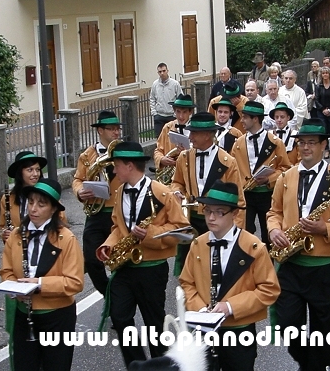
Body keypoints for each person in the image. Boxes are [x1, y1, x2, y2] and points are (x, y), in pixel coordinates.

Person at [267, 119, 330, 371]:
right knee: (288, 326)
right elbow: (273, 212)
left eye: (311, 143)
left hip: (326, 269)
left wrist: (326, 229)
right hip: (291, 264)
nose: (306, 147)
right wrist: (274, 229)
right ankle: (310, 366)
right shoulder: (286, 178)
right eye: (301, 143)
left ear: (324, 146)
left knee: (324, 333)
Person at [97, 142, 189, 366]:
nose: (114, 171)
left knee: (154, 324)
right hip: (126, 267)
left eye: (116, 166)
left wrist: (150, 233)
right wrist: (109, 245)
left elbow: (182, 229)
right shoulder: (119, 192)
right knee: (119, 317)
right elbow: (118, 227)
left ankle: (161, 366)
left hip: (151, 268)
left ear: (129, 166)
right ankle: (137, 365)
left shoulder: (160, 191)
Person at [178, 181, 281, 371]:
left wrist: (231, 306)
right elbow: (187, 282)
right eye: (208, 210)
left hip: (238, 330)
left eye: (219, 212)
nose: (211, 217)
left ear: (234, 214)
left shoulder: (253, 247)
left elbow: (269, 289)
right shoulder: (198, 244)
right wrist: (200, 310)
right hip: (204, 330)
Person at [0, 177, 84, 371]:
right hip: (24, 314)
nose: (33, 209)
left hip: (57, 316)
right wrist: (14, 288)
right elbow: (6, 270)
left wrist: (39, 285)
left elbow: (75, 282)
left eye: (41, 204)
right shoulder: (16, 235)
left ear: (53, 209)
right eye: (30, 202)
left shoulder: (66, 239)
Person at [170, 112, 245, 272]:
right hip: (190, 220)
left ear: (208, 135)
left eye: (194, 133)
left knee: (215, 270)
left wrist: (235, 233)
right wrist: (176, 192)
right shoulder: (184, 157)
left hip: (217, 221)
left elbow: (239, 201)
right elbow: (177, 182)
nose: (189, 137)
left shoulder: (228, 161)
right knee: (189, 270)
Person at [72, 111, 123, 295]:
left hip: (119, 212)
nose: (116, 133)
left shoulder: (124, 152)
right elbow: (77, 179)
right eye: (111, 129)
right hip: (96, 213)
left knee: (119, 259)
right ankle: (108, 293)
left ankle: (120, 298)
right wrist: (80, 191)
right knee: (92, 260)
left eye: (118, 129)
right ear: (100, 130)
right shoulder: (87, 155)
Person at [230, 101, 291, 248]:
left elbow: (286, 169)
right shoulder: (238, 144)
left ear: (255, 119)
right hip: (246, 195)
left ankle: (268, 266)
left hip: (268, 194)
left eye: (244, 117)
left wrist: (268, 179)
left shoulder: (275, 142)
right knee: (246, 233)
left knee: (268, 233)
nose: (242, 121)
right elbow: (232, 171)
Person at [1, 152, 48, 243]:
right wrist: (4, 234)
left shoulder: (47, 195)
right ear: (20, 173)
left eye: (38, 170)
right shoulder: (8, 198)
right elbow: (3, 226)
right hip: (18, 250)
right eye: (30, 170)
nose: (35, 174)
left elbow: (60, 223)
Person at [154, 93, 195, 177]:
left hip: (190, 173)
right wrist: (161, 159)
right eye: (178, 111)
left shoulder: (196, 130)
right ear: (174, 111)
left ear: (190, 112)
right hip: (171, 176)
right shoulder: (167, 127)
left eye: (184, 112)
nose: (181, 116)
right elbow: (158, 150)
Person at [149, 63, 182, 137]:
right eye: (160, 72)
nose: (162, 73)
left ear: (167, 71)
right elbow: (152, 98)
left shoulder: (175, 84)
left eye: (164, 71)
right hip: (159, 116)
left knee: (172, 139)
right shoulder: (155, 84)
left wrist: (176, 114)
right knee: (159, 139)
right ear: (158, 73)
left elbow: (180, 98)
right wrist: (154, 113)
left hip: (171, 116)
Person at [314, 66, 330, 158]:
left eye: (326, 73)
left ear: (329, 74)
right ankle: (327, 149)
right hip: (321, 112)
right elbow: (316, 100)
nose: (325, 75)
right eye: (323, 73)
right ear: (321, 75)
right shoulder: (318, 86)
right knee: (324, 130)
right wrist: (323, 109)